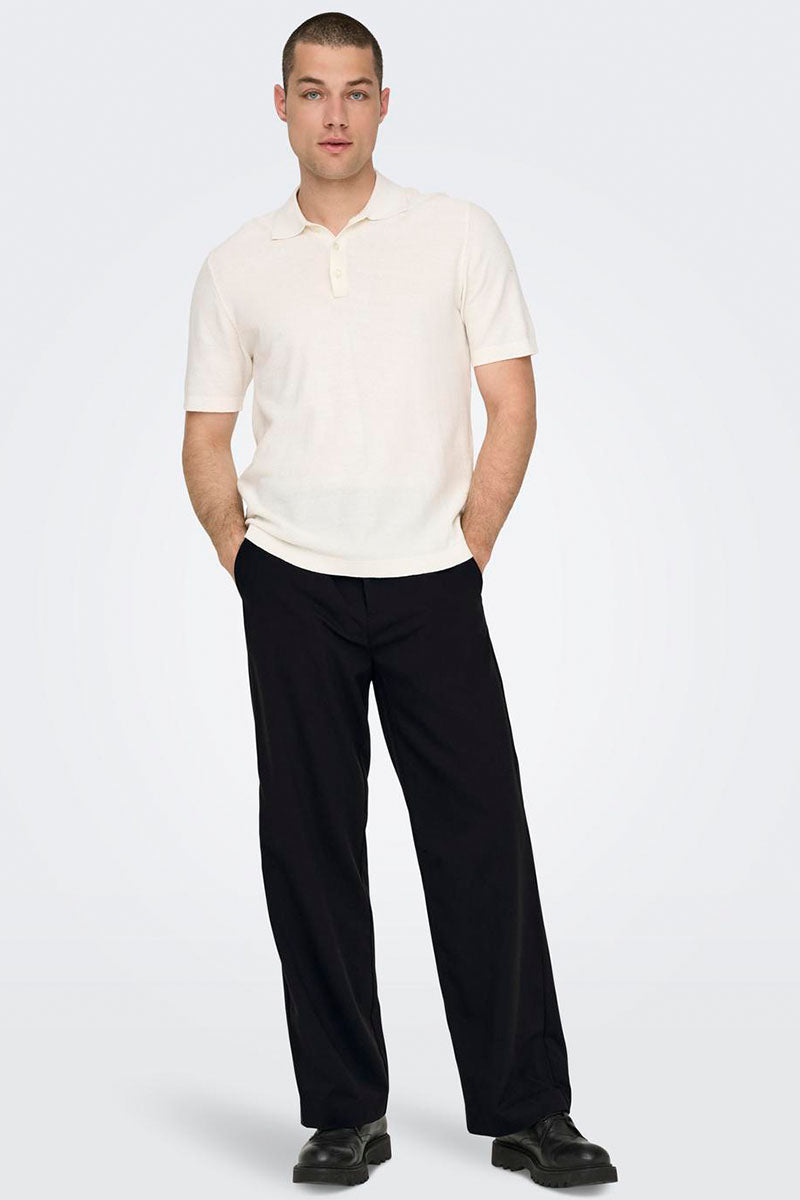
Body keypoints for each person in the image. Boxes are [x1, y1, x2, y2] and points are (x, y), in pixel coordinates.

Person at [181, 11, 617, 1190]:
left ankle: (527, 1110)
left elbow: (511, 401)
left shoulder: (456, 233)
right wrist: (241, 555)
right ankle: (344, 1114)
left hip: (432, 581)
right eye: (312, 91)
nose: (334, 114)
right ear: (280, 104)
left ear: (383, 103)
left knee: (481, 837)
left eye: (355, 91)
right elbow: (207, 433)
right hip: (293, 586)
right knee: (309, 845)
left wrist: (469, 544)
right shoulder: (235, 265)